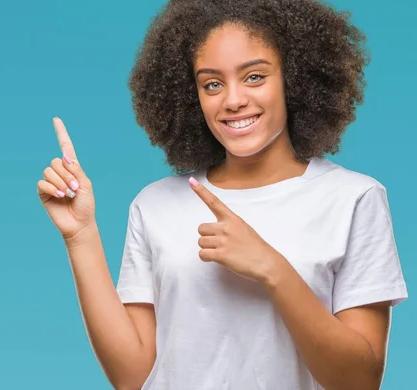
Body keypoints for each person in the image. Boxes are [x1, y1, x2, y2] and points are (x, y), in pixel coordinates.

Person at [37, 0, 409, 388]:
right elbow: (133, 378)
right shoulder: (155, 205)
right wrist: (80, 236)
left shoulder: (353, 198)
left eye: (254, 77)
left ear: (294, 79)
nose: (232, 100)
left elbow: (359, 382)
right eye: (212, 84)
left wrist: (272, 269)